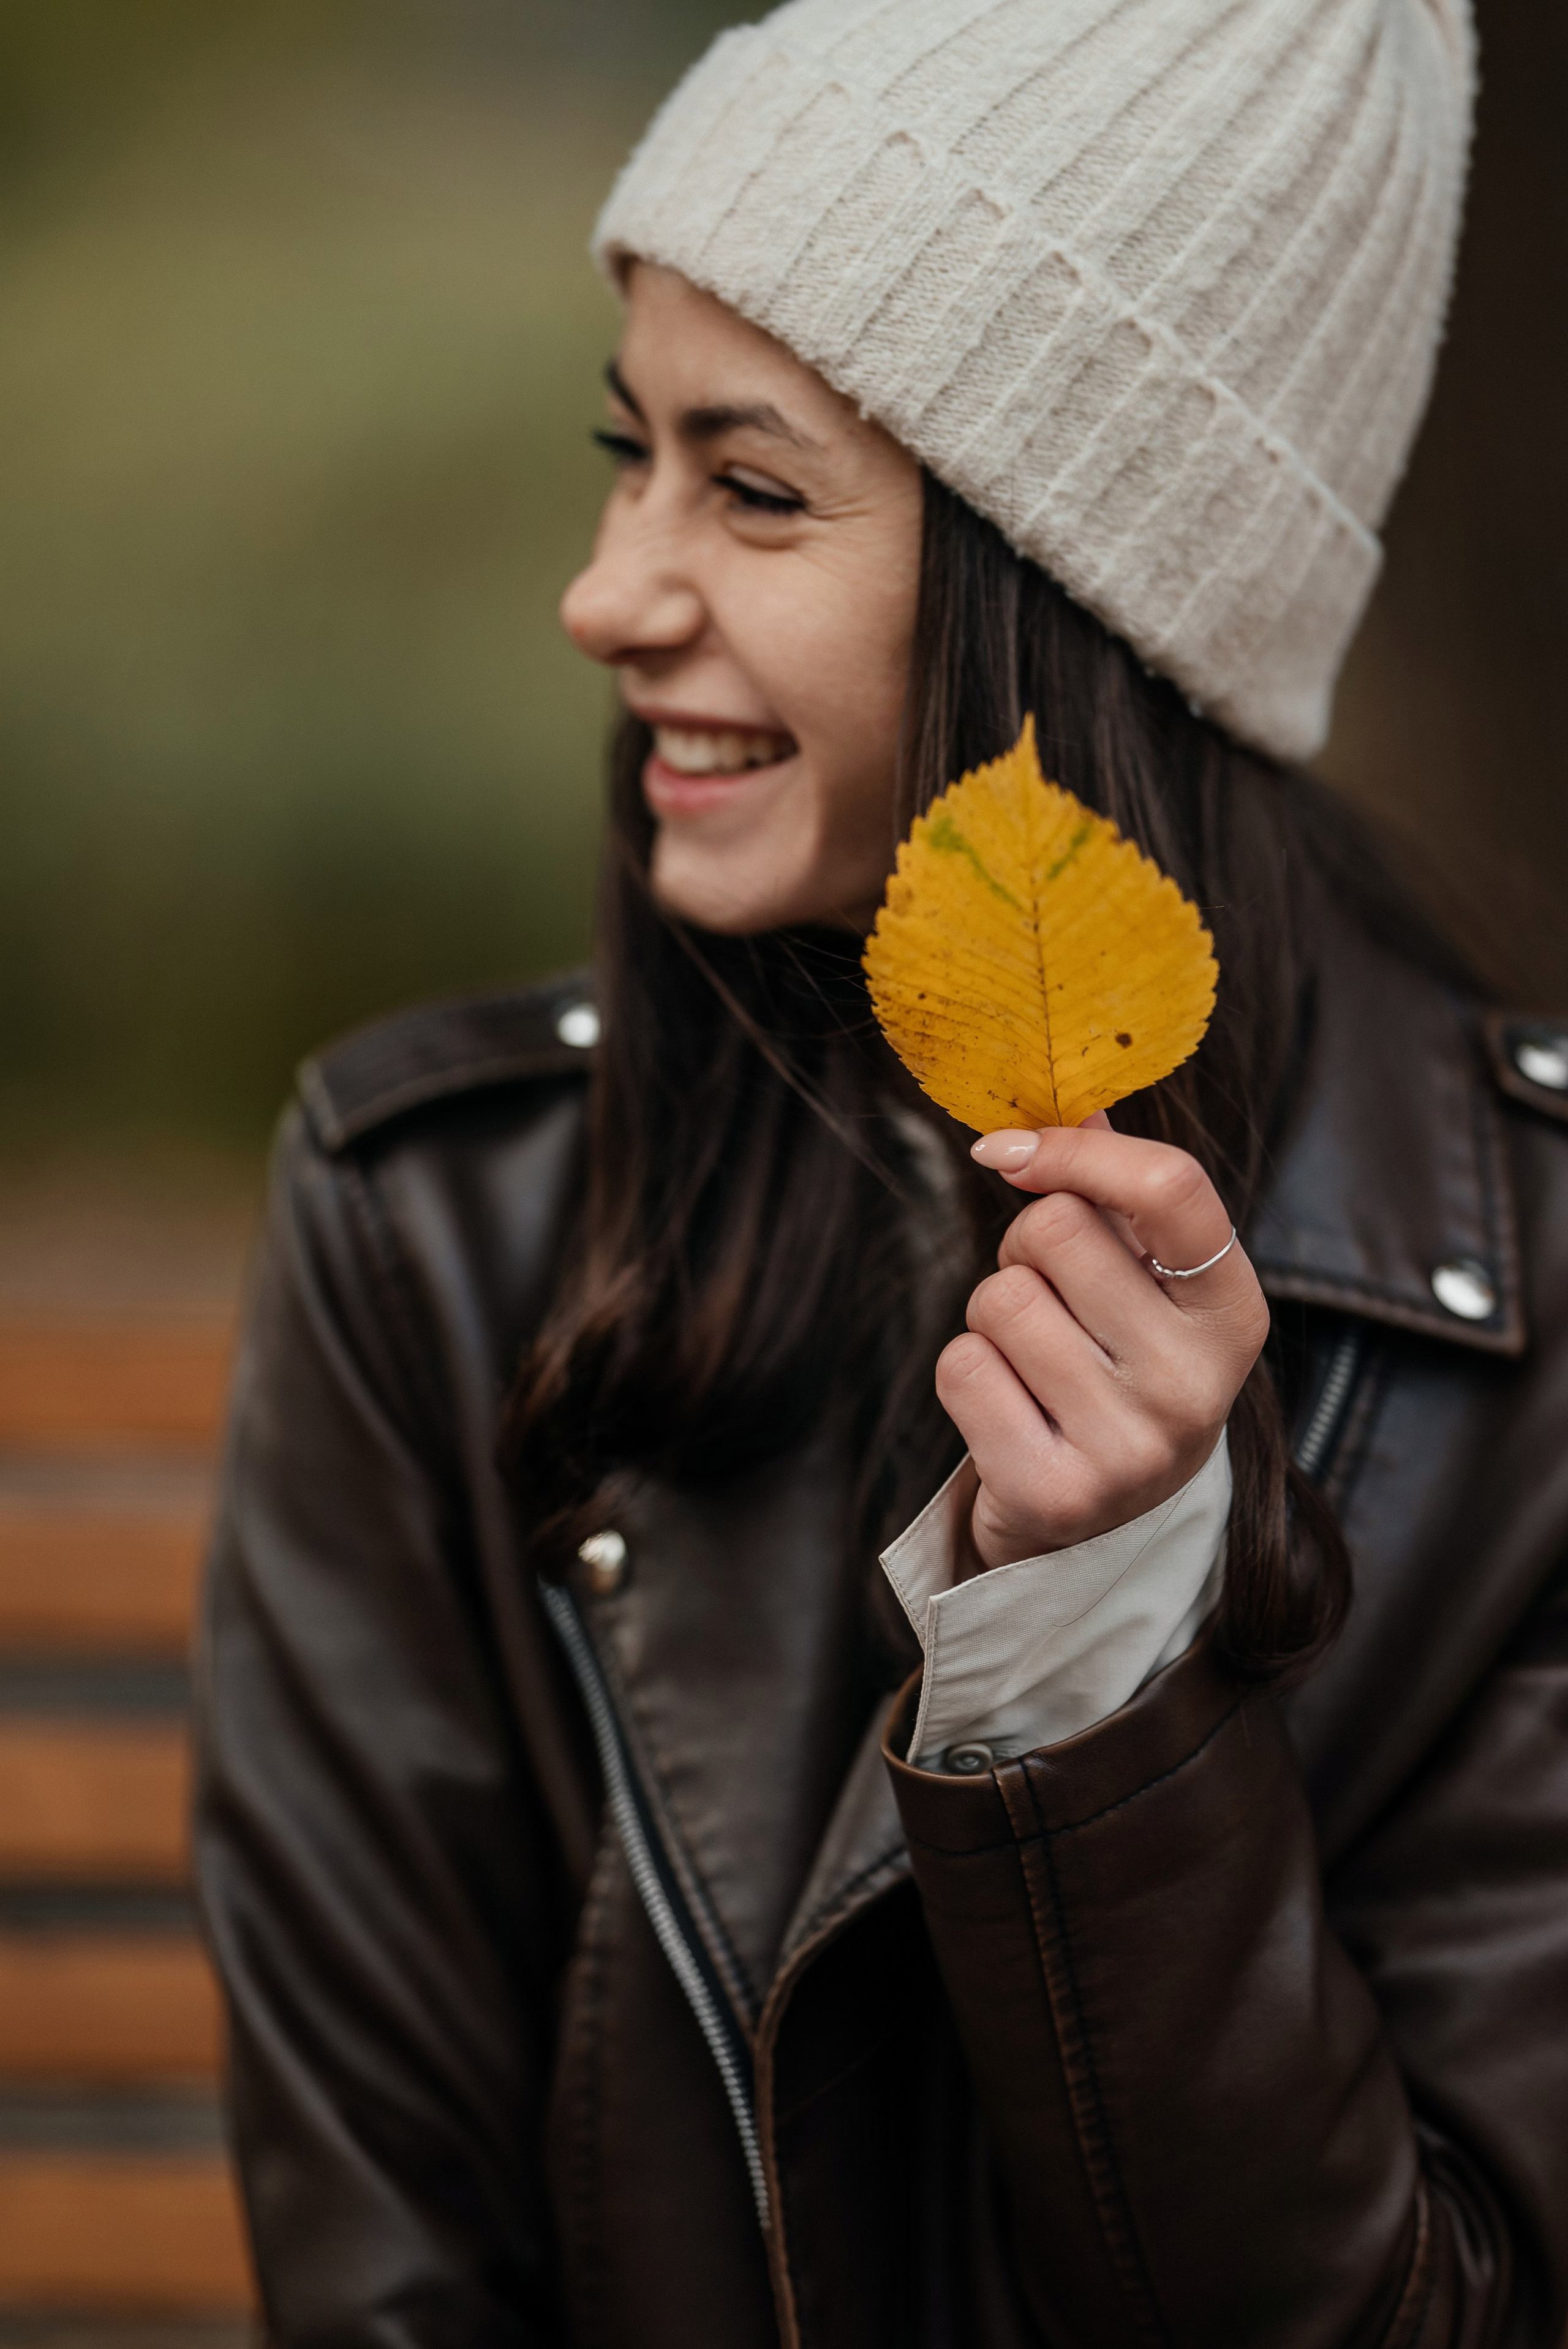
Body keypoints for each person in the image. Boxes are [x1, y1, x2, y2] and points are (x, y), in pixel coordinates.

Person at [193, 2, 1568, 2342]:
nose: (608, 589)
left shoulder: (1535, 1322)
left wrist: (1107, 1659)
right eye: (628, 454)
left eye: (752, 486)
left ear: (1082, 588)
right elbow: (390, 2262)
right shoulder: (436, 1224)